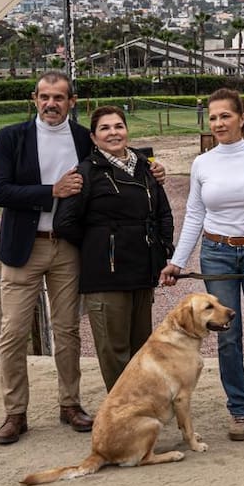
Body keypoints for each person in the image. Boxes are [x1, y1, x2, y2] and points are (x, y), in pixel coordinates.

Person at [160, 88, 244, 441]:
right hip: (217, 253)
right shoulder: (203, 163)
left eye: (225, 116)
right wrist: (177, 261)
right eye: (213, 117)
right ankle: (238, 409)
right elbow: (194, 215)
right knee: (227, 337)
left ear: (242, 117)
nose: (218, 123)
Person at [0, 72, 93, 445]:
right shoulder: (11, 137)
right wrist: (53, 191)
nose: (51, 104)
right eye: (45, 97)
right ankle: (15, 412)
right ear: (34, 99)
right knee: (13, 332)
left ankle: (70, 403)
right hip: (23, 246)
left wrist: (152, 171)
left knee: (67, 331)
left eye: (59, 98)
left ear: (72, 101)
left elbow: (107, 174)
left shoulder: (83, 138)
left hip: (67, 246)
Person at [54, 105, 174, 392]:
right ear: (94, 138)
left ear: (126, 131)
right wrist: (100, 241)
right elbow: (65, 222)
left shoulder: (146, 168)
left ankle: (143, 407)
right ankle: (122, 411)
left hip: (141, 272)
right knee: (114, 351)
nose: (113, 133)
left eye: (118, 126)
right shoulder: (86, 172)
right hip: (106, 275)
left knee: (142, 349)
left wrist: (163, 248)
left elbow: (163, 213)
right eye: (105, 128)